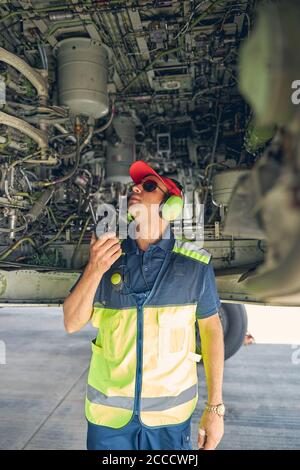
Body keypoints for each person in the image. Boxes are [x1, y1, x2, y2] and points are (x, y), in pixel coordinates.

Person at [63, 160, 225, 451]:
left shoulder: (195, 265)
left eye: (149, 186)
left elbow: (212, 333)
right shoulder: (108, 256)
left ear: (171, 206)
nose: (135, 188)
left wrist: (215, 409)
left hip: (168, 422)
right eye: (135, 185)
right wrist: (93, 270)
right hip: (108, 421)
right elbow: (72, 323)